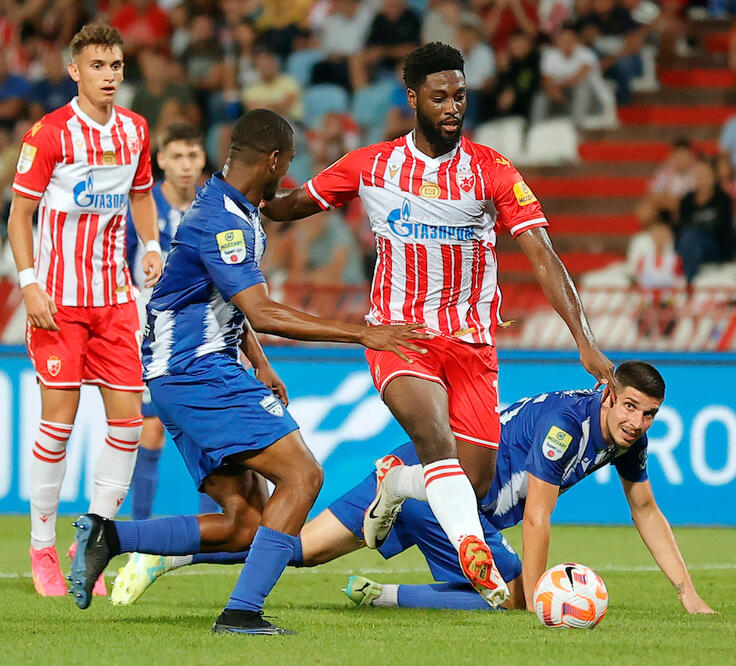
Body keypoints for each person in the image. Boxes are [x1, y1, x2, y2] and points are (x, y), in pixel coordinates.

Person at [261, 42, 616, 609]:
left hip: (472, 344)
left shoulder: (490, 170)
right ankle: (471, 547)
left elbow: (544, 256)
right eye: (440, 96)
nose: (453, 106)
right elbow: (293, 205)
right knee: (433, 437)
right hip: (400, 336)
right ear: (413, 98)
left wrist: (586, 342)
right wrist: (241, 198)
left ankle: (394, 483)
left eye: (460, 95)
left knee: (470, 481)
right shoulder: (371, 164)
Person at [66, 108, 429, 635]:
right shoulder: (223, 223)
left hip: (190, 372)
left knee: (244, 525)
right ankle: (241, 613)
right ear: (276, 159)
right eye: (289, 165)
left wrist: (261, 364)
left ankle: (108, 539)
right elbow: (262, 310)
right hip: (196, 372)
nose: (288, 178)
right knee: (303, 476)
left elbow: (227, 305)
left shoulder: (230, 210)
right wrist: (363, 333)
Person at [110, 362, 716, 616]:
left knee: (294, 550)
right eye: (630, 407)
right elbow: (536, 517)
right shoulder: (566, 425)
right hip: (450, 492)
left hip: (425, 474)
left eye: (649, 415)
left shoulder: (625, 440)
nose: (637, 422)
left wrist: (687, 589)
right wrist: (534, 601)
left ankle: (170, 554)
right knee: (504, 596)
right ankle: (389, 573)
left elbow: (646, 508)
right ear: (607, 394)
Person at [6, 23, 163, 599]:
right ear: (75, 71)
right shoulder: (49, 134)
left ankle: (91, 538)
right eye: (98, 66)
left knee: (126, 423)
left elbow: (142, 194)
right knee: (59, 424)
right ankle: (42, 546)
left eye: (117, 66)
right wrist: (29, 284)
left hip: (116, 303)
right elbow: (19, 215)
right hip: (59, 303)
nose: (110, 76)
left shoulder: (135, 130)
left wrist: (149, 246)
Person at [123, 122, 206, 526]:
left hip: (206, 328)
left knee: (210, 428)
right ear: (160, 161)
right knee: (150, 429)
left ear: (203, 159)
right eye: (177, 157)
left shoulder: (212, 205)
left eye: (192, 156)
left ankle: (221, 528)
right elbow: (120, 263)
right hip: (150, 329)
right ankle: (139, 526)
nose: (185, 166)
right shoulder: (142, 208)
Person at [674, 158, 736, 283]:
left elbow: (727, 229)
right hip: (692, 247)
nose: (702, 180)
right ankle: (687, 281)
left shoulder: (723, 199)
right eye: (698, 176)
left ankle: (687, 283)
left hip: (715, 246)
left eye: (705, 175)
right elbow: (680, 228)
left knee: (690, 238)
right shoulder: (686, 201)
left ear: (713, 177)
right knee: (690, 240)